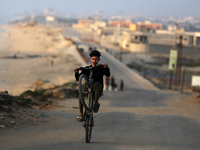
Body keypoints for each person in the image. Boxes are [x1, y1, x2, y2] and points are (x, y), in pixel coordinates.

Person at [74, 50, 110, 122]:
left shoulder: (100, 68)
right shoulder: (87, 69)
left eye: (96, 59)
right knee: (81, 94)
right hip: (87, 90)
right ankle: (81, 114)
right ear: (91, 59)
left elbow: (107, 75)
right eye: (93, 59)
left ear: (98, 59)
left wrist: (106, 68)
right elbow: (78, 78)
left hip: (96, 90)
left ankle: (95, 104)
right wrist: (76, 72)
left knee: (97, 84)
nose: (94, 60)